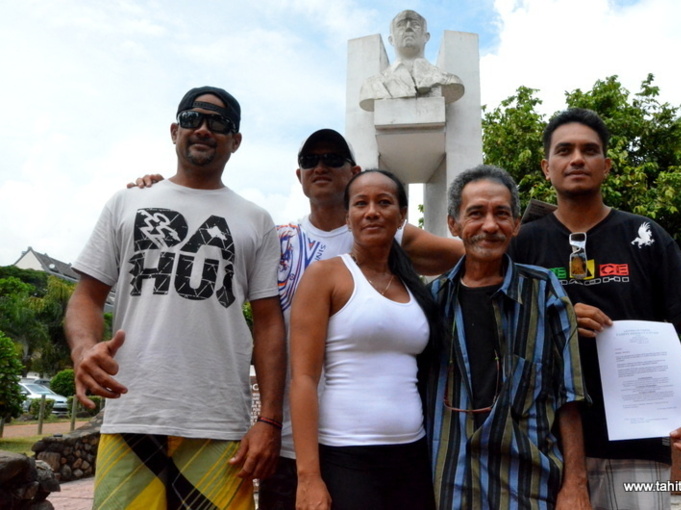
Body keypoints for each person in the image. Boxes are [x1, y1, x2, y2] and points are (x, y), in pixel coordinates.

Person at [131, 128, 464, 509]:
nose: (320, 167)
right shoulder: (275, 239)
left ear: (354, 172)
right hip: (290, 440)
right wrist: (167, 193)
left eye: (332, 159)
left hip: (390, 445)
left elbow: (473, 253)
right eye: (310, 160)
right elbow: (207, 252)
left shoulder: (387, 234)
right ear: (299, 175)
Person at [65, 86, 285, 509]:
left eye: (218, 123)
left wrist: (269, 421)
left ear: (235, 140)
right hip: (132, 411)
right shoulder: (127, 202)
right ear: (174, 130)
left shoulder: (256, 220)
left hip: (218, 421)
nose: (203, 129)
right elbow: (87, 297)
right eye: (191, 118)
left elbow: (268, 322)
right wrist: (83, 350)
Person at [510, 108, 681, 509]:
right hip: (543, 447)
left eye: (589, 150)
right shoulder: (522, 244)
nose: (577, 159)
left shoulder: (646, 235)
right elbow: (499, 329)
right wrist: (555, 318)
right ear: (546, 167)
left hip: (638, 446)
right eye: (564, 150)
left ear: (607, 165)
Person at [422, 165, 590, 509]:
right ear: (454, 224)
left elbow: (569, 396)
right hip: (451, 485)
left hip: (527, 486)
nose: (489, 225)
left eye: (501, 214)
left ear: (515, 225)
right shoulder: (432, 300)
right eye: (475, 213)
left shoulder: (543, 291)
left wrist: (575, 485)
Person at [290, 170, 439, 510]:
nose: (372, 212)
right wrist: (309, 477)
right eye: (361, 204)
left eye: (384, 202)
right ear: (348, 217)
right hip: (347, 457)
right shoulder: (325, 276)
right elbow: (303, 379)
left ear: (402, 216)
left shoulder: (414, 287)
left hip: (413, 456)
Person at [359, 9, 464, 112]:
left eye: (415, 24)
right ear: (391, 40)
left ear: (426, 37)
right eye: (400, 25)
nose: (408, 28)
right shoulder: (372, 85)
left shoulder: (448, 80)